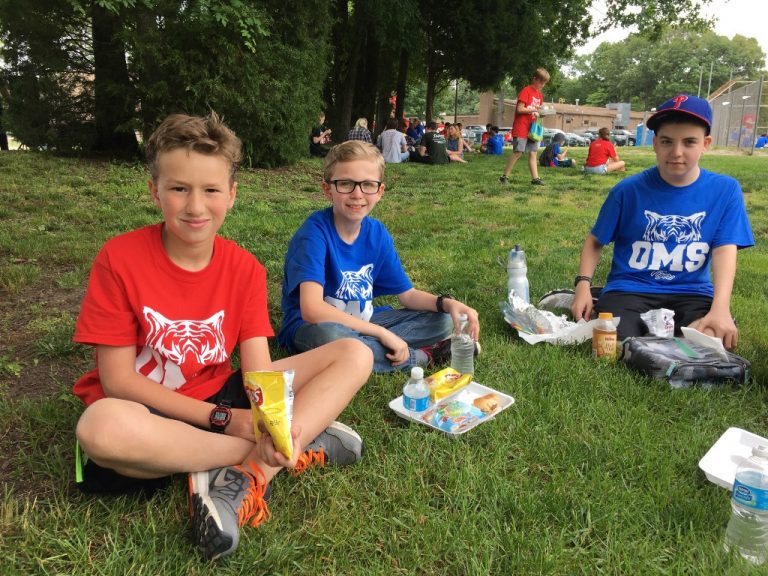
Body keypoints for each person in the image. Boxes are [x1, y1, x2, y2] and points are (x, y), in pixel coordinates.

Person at [72, 113, 373, 561]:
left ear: (231, 195)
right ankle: (284, 451)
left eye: (211, 190)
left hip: (223, 394)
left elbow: (259, 371)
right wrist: (231, 422)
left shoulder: (245, 268)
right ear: (154, 190)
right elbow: (116, 381)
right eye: (179, 189)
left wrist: (267, 418)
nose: (195, 207)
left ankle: (246, 476)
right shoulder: (120, 258)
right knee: (99, 428)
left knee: (353, 352)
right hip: (148, 412)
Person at [278, 140, 480, 373]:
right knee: (332, 336)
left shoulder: (377, 234)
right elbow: (312, 309)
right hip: (312, 328)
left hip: (365, 323)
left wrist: (447, 303)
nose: (357, 194)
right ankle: (423, 356)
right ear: (328, 190)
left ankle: (374, 349)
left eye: (367, 185)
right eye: (345, 184)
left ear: (380, 191)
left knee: (442, 320)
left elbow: (408, 295)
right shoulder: (314, 234)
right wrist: (382, 333)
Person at [571, 94, 754, 349]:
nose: (676, 153)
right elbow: (595, 240)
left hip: (691, 292)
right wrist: (582, 285)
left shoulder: (725, 190)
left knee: (710, 339)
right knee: (612, 341)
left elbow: (725, 249)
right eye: (667, 141)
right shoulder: (627, 191)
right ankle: (599, 299)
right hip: (630, 289)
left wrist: (720, 308)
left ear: (706, 143)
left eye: (689, 142)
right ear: (655, 143)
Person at [499, 67, 550, 186]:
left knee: (533, 152)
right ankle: (504, 177)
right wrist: (533, 109)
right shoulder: (526, 90)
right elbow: (520, 109)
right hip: (521, 126)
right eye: (541, 82)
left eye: (544, 83)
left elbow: (538, 111)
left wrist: (542, 114)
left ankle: (535, 178)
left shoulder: (539, 95)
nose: (542, 85)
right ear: (534, 79)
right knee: (518, 152)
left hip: (533, 128)